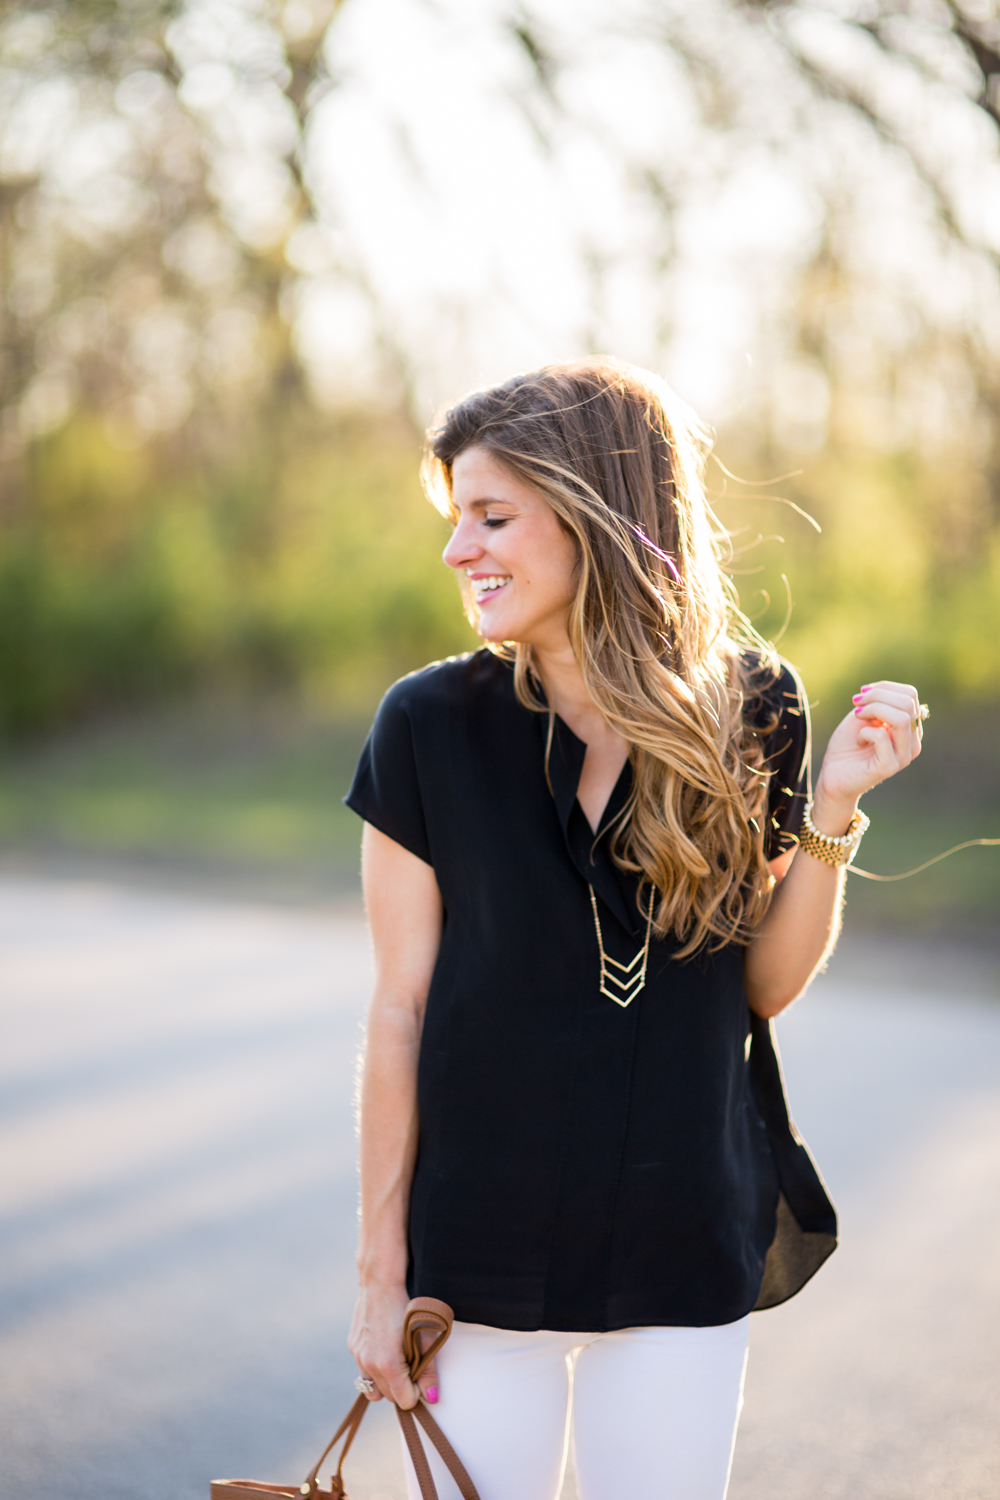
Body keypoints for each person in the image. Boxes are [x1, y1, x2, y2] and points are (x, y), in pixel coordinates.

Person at [344, 358, 925, 1500]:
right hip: (474, 1255)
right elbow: (399, 1009)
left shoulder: (754, 706)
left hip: (682, 1232)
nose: (459, 549)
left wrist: (833, 810)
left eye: (491, 516)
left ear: (594, 514)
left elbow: (756, 986)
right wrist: (377, 1271)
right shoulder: (426, 724)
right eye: (456, 517)